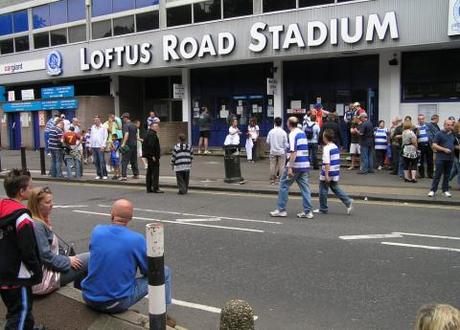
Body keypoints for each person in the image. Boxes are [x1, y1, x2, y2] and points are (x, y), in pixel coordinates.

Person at [81, 199, 175, 327]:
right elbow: (151, 272)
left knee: (93, 258)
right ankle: (162, 315)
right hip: (114, 303)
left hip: (88, 298)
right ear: (131, 218)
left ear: (111, 214)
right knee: (165, 272)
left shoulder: (97, 231)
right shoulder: (136, 239)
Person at [0, 169, 43, 330]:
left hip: (4, 271)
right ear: (22, 192)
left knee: (15, 308)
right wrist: (36, 270)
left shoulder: (2, 207)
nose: (32, 190)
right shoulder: (22, 217)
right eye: (30, 188)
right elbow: (28, 249)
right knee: (20, 312)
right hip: (18, 275)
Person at [28, 187, 89, 295]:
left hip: (44, 272)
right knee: (92, 257)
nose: (52, 204)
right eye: (47, 202)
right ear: (37, 205)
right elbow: (45, 256)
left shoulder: (37, 220)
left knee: (82, 262)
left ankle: (81, 295)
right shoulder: (37, 225)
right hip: (44, 279)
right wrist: (68, 261)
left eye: (52, 201)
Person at [270, 117, 314, 219]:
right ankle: (308, 212)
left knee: (283, 185)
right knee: (305, 188)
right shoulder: (302, 133)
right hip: (304, 164)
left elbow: (293, 152)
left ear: (289, 124)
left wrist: (290, 167)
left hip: (295, 165)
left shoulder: (292, 134)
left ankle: (281, 210)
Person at [314, 129, 353, 215]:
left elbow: (327, 162)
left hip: (328, 171)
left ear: (325, 137)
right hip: (335, 170)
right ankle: (347, 201)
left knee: (323, 189)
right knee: (335, 188)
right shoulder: (335, 146)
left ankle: (323, 208)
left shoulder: (327, 148)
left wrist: (327, 175)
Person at [429, 119, 455, 197]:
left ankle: (445, 190)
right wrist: (444, 149)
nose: (450, 127)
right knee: (437, 174)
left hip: (450, 158)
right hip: (440, 157)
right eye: (448, 125)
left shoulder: (453, 134)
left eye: (451, 125)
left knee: (447, 175)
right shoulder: (439, 134)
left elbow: (455, 144)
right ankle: (433, 190)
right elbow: (434, 145)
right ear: (444, 125)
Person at [266, 117, 288, 184]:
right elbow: (286, 143)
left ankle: (272, 180)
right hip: (281, 152)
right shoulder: (283, 132)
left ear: (275, 123)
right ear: (281, 123)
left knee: (272, 165)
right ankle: (281, 180)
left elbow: (267, 141)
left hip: (273, 151)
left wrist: (272, 145)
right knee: (281, 166)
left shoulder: (271, 131)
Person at [142, 122, 162, 193]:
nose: (158, 128)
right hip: (153, 157)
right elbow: (150, 146)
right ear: (152, 127)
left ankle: (149, 188)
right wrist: (152, 156)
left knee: (149, 172)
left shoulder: (148, 133)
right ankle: (155, 188)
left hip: (149, 156)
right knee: (155, 172)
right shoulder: (152, 134)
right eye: (156, 126)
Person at [120, 113, 140, 181]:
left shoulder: (126, 125)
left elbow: (126, 134)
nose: (122, 120)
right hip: (134, 144)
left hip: (128, 145)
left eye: (123, 118)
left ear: (126, 118)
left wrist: (123, 143)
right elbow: (136, 135)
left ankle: (124, 176)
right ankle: (136, 174)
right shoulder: (134, 126)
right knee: (134, 160)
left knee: (124, 160)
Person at [89, 115, 108, 180]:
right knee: (96, 161)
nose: (95, 121)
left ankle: (105, 174)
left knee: (102, 161)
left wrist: (103, 146)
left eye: (96, 120)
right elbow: (91, 136)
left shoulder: (103, 127)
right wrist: (90, 145)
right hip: (94, 146)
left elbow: (105, 137)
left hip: (100, 146)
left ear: (99, 120)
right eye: (94, 120)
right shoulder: (92, 127)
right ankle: (99, 174)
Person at [417, 114, 434, 178]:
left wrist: (433, 142)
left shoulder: (429, 126)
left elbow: (434, 133)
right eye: (419, 119)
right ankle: (422, 174)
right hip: (420, 145)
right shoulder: (416, 127)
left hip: (428, 145)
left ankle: (430, 174)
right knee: (420, 160)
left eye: (422, 119)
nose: (421, 120)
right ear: (418, 120)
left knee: (430, 160)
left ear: (424, 119)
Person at [448, 121, 460, 189]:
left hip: (457, 155)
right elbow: (451, 145)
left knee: (454, 170)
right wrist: (457, 147)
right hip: (457, 155)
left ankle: (446, 181)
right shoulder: (454, 134)